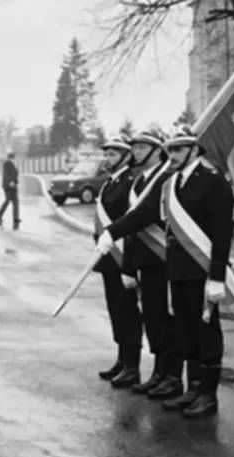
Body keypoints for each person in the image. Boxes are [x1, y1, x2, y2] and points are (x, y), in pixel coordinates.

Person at [97, 125, 234, 418]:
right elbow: (145, 215)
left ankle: (208, 395)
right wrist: (113, 231)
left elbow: (222, 232)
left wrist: (218, 275)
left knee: (206, 332)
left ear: (195, 150)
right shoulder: (171, 184)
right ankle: (193, 388)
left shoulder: (212, 181)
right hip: (178, 270)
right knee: (186, 329)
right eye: (170, 149)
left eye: (179, 149)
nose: (173, 155)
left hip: (203, 269)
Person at [109, 130, 186, 397]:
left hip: (163, 259)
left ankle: (172, 375)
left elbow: (143, 216)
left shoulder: (164, 178)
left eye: (143, 147)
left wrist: (112, 231)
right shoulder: (139, 181)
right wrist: (128, 266)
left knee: (167, 319)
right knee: (152, 318)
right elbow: (133, 229)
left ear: (157, 151)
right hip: (145, 261)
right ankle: (158, 372)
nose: (137, 152)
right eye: (136, 148)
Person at [92, 135, 143, 388]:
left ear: (126, 156)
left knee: (128, 311)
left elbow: (132, 224)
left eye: (113, 154)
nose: (108, 158)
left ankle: (132, 365)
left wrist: (130, 264)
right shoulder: (109, 183)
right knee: (116, 310)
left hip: (123, 256)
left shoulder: (131, 183)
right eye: (107, 154)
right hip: (109, 258)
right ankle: (122, 360)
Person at [0, 151, 20, 229]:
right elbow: (6, 174)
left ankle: (16, 219)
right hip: (8, 186)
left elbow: (15, 175)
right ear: (10, 157)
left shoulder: (13, 164)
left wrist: (15, 181)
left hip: (14, 186)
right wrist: (11, 182)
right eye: (12, 157)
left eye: (13, 157)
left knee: (16, 203)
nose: (13, 158)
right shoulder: (6, 163)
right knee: (7, 200)